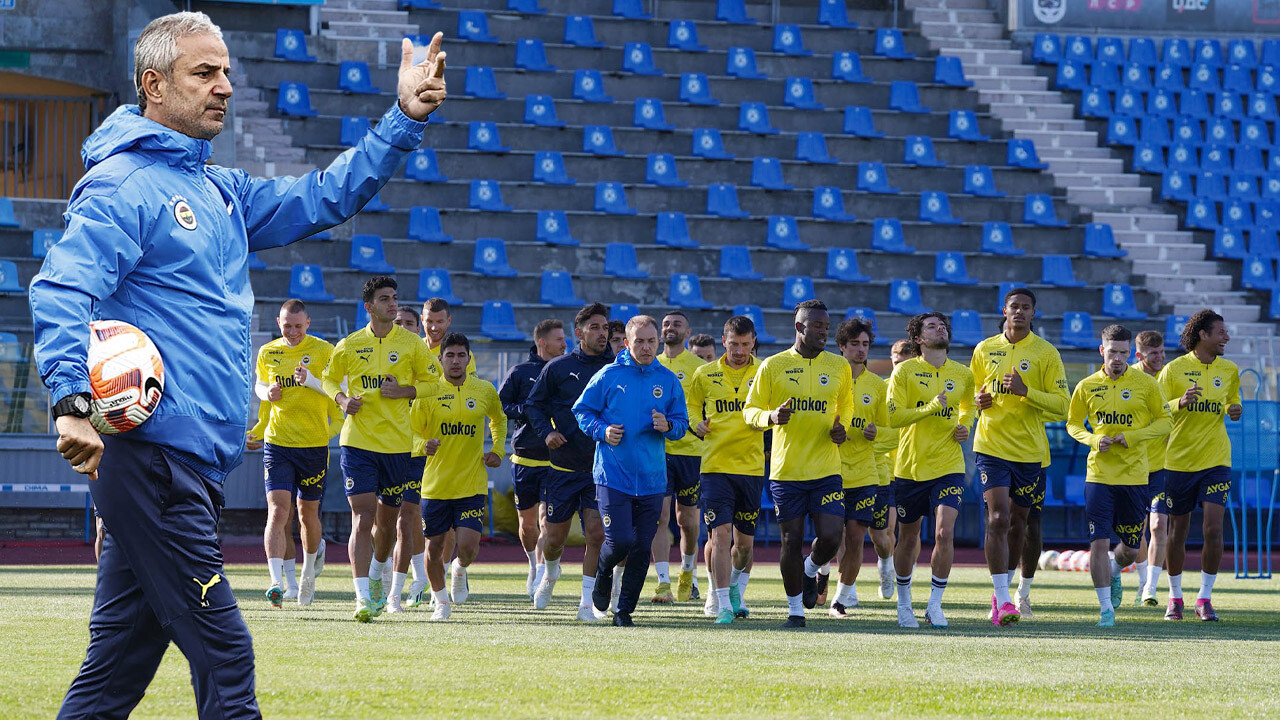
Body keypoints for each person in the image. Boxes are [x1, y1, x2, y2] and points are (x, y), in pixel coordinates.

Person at [30, 10, 445, 717]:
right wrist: (72, 400)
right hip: (153, 463)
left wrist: (402, 118)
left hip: (192, 467)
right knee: (225, 654)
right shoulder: (125, 185)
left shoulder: (221, 192)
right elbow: (63, 286)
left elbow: (324, 196)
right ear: (153, 85)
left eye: (225, 71)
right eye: (204, 73)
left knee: (113, 674)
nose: (224, 86)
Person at [322, 276, 439, 622]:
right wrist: (342, 399)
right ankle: (361, 598)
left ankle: (376, 576)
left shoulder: (413, 344)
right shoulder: (349, 344)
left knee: (386, 525)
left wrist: (404, 392)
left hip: (397, 447)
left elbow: (434, 382)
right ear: (369, 307)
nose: (393, 304)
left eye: (395, 298)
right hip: (357, 443)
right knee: (362, 517)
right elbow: (328, 378)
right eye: (385, 299)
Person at [743, 300, 854, 628]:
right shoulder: (773, 366)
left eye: (826, 326)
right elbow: (750, 412)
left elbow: (845, 404)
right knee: (790, 540)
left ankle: (810, 569)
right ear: (799, 327)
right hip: (786, 471)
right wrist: (771, 416)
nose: (824, 331)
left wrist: (841, 425)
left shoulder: (838, 366)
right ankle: (795, 610)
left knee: (833, 536)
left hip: (826, 469)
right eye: (817, 326)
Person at [574, 315, 690, 626]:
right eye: (639, 341)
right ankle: (603, 572)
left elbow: (682, 424)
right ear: (627, 342)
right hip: (613, 476)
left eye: (652, 341)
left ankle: (623, 611)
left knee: (641, 547)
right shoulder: (609, 375)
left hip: (653, 479)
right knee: (621, 540)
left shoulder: (667, 380)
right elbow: (582, 411)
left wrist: (668, 426)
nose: (647, 346)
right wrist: (602, 430)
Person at [970, 288, 1068, 627]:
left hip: (1029, 452)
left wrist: (1027, 392)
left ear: (1033, 313)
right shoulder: (984, 349)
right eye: (1015, 307)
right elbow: (975, 392)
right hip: (991, 446)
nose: (1020, 312)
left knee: (1019, 525)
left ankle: (1016, 593)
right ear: (1005, 310)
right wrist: (979, 401)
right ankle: (1001, 599)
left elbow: (1062, 406)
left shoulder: (1045, 353)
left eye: (1026, 308)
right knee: (997, 519)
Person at [1066, 324, 1172, 627]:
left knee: (1131, 547)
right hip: (1098, 475)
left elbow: (1165, 422)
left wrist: (1135, 436)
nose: (1118, 358)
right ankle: (1105, 611)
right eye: (1112, 352)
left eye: (1124, 353)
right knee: (1098, 541)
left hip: (1135, 476)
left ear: (1130, 353)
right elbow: (1073, 424)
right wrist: (1092, 440)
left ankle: (1115, 570)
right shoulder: (1086, 386)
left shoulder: (1146, 384)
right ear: (1102, 351)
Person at [252, 299, 343, 607]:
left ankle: (307, 573)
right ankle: (278, 582)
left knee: (307, 515)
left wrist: (313, 382)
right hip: (278, 443)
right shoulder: (269, 352)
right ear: (279, 323)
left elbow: (336, 391)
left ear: (308, 323)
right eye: (287, 325)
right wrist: (268, 393)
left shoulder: (324, 351)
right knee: (279, 511)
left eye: (298, 326)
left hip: (314, 445)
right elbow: (260, 388)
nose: (292, 331)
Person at [888, 312, 975, 629]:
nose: (940, 328)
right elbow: (894, 417)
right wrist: (931, 408)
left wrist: (964, 425)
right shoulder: (905, 372)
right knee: (908, 538)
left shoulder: (962, 374)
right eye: (931, 326)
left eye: (943, 325)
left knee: (944, 531)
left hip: (949, 465)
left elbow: (969, 405)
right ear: (919, 338)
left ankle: (935, 605)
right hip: (910, 467)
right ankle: (904, 603)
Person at [526, 303, 613, 619]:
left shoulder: (616, 368)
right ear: (579, 333)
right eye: (595, 328)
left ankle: (586, 604)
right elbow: (533, 405)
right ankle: (550, 572)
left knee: (596, 533)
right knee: (554, 539)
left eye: (605, 328)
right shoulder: (559, 367)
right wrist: (547, 432)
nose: (602, 334)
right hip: (562, 468)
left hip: (600, 469)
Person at [411, 333, 506, 620]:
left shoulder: (484, 390)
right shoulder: (426, 392)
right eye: (449, 355)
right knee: (435, 546)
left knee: (467, 546)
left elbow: (498, 419)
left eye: (460, 355)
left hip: (471, 484)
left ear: (468, 358)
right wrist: (421, 445)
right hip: (435, 486)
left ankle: (459, 569)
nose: (455, 361)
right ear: (439, 360)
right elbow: (411, 430)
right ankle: (441, 601)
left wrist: (498, 450)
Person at [1157, 310, 1242, 621]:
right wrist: (1180, 402)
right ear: (1203, 335)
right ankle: (1175, 597)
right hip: (1178, 461)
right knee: (1177, 531)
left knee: (1214, 528)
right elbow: (1157, 412)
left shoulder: (1230, 370)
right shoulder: (1174, 370)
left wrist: (1236, 409)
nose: (1227, 338)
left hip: (1216, 459)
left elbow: (1232, 400)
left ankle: (1204, 598)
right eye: (1221, 332)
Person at [686, 315, 764, 624]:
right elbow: (691, 408)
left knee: (743, 545)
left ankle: (734, 589)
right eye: (734, 344)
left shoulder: (764, 372)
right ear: (724, 341)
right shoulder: (704, 374)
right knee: (719, 536)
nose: (740, 350)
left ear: (753, 342)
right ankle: (722, 605)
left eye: (745, 344)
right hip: (715, 467)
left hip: (752, 467)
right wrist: (697, 424)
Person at [499, 319, 567, 598]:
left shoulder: (567, 371)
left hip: (557, 459)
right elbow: (502, 405)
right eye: (560, 339)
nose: (565, 344)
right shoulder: (520, 372)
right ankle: (531, 564)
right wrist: (526, 411)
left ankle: (543, 571)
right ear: (542, 342)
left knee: (547, 521)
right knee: (527, 525)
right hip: (525, 457)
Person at [827, 318, 890, 617]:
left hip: (865, 472)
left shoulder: (877, 385)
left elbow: (891, 431)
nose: (861, 350)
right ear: (842, 347)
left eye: (865, 345)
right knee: (829, 536)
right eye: (854, 344)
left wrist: (876, 433)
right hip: (829, 469)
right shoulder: (828, 378)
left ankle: (840, 599)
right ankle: (818, 570)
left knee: (855, 537)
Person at [652, 311, 706, 603]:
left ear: (688, 332)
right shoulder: (650, 365)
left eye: (677, 324)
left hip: (690, 455)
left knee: (687, 521)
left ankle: (688, 574)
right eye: (666, 324)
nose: (670, 328)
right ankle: (662, 582)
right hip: (657, 453)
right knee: (659, 518)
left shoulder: (699, 368)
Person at [385, 306, 433, 612]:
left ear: (418, 329)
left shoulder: (426, 368)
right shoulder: (381, 360)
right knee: (385, 522)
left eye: (408, 323)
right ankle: (417, 576)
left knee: (405, 518)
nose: (402, 327)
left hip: (416, 454)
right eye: (398, 322)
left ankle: (393, 593)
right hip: (382, 450)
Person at [1132, 329, 1170, 606]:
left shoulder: (1170, 377)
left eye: (1162, 352)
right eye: (1153, 354)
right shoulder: (1129, 378)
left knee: (1159, 525)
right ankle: (1142, 580)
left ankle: (1152, 588)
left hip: (1166, 464)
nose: (1160, 358)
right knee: (1137, 528)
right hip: (1135, 465)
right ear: (1140, 355)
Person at [423, 297, 477, 376]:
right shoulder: (415, 347)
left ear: (449, 321)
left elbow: (469, 387)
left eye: (439, 322)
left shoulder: (461, 353)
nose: (434, 328)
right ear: (422, 320)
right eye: (429, 321)